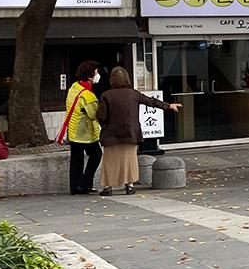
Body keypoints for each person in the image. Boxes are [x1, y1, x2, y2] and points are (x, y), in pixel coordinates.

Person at [96, 67, 180, 196]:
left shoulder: (106, 95)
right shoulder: (133, 94)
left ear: (112, 80)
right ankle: (129, 185)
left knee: (110, 161)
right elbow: (151, 102)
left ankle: (108, 187)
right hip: (130, 132)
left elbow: (101, 116)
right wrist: (168, 106)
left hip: (111, 134)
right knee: (129, 160)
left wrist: (103, 123)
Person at [62, 61, 102, 195]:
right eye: (96, 72)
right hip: (84, 132)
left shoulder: (74, 88)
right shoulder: (88, 95)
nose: (98, 75)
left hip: (73, 130)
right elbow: (94, 114)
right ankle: (85, 184)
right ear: (90, 76)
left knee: (76, 159)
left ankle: (75, 187)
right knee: (96, 154)